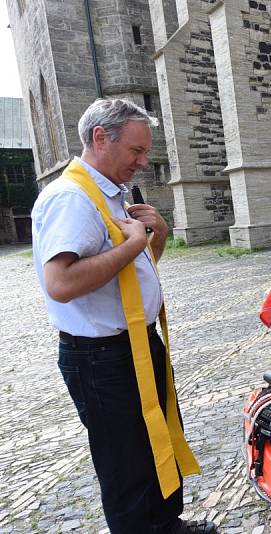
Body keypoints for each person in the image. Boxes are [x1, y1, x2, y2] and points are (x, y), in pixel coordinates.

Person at [31, 98, 215, 534]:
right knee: (125, 462)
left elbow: (134, 272)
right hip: (101, 358)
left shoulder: (111, 195)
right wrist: (132, 245)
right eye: (136, 151)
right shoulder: (71, 198)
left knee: (160, 437)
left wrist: (157, 237)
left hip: (136, 343)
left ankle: (168, 526)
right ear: (100, 138)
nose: (143, 162)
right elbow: (60, 283)